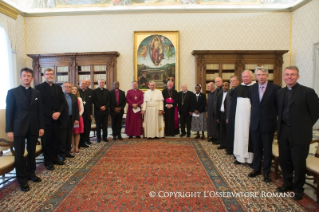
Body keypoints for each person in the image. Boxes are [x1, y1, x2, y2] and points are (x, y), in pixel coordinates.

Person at [275, 66, 319, 200]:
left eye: (292, 74)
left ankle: (298, 188)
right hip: (283, 131)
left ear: (297, 76)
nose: (289, 77)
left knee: (298, 162)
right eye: (287, 74)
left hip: (300, 133)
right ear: (284, 76)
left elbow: (315, 113)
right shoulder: (280, 92)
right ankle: (287, 183)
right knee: (285, 160)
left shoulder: (308, 92)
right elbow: (279, 111)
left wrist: (304, 126)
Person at [6, 67, 44, 191]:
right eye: (24, 75)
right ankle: (21, 179)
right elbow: (9, 112)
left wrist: (41, 127)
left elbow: (39, 112)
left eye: (29, 76)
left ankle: (31, 174)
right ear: (20, 77)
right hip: (18, 128)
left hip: (33, 127)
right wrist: (9, 130)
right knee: (19, 154)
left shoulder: (37, 93)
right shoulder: (12, 92)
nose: (26, 77)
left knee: (32, 152)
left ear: (32, 78)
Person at [248, 67, 281, 182]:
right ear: (255, 76)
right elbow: (254, 105)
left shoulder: (276, 88)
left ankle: (266, 172)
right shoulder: (251, 89)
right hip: (255, 124)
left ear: (267, 76)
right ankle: (256, 169)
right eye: (258, 75)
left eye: (263, 74)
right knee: (256, 148)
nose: (261, 77)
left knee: (267, 149)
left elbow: (277, 107)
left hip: (268, 124)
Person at [35, 68, 66, 170]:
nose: (49, 76)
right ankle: (48, 161)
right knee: (47, 141)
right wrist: (52, 113)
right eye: (47, 74)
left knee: (56, 140)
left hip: (57, 119)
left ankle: (55, 158)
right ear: (44, 76)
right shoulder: (39, 87)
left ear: (54, 75)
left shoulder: (58, 87)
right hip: (46, 119)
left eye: (51, 74)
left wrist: (59, 112)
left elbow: (62, 102)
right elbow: (40, 104)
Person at [231, 70, 256, 164]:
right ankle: (240, 158)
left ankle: (250, 159)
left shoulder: (255, 87)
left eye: (247, 77)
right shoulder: (238, 88)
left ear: (252, 77)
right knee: (239, 136)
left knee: (249, 138)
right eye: (244, 77)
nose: (245, 79)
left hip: (250, 119)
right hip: (239, 119)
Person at [60, 82, 79, 161]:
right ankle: (62, 153)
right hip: (63, 119)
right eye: (66, 87)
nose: (67, 88)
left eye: (69, 87)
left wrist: (76, 118)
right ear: (63, 88)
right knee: (63, 137)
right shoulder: (60, 97)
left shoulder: (74, 97)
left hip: (71, 119)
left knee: (68, 136)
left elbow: (76, 109)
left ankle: (67, 152)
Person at [225, 76, 240, 155]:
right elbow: (227, 106)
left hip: (238, 116)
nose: (233, 82)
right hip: (230, 116)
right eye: (231, 81)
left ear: (238, 81)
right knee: (230, 133)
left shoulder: (240, 90)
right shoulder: (229, 91)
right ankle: (230, 149)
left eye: (234, 81)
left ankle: (236, 150)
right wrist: (227, 117)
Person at [216, 82, 230, 150]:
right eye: (223, 86)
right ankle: (222, 144)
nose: (224, 87)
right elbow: (218, 105)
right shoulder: (220, 94)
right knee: (222, 130)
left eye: (226, 85)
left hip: (227, 115)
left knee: (228, 131)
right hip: (221, 114)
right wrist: (217, 116)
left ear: (228, 87)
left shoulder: (230, 94)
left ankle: (228, 145)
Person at [78, 80, 91, 148]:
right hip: (80, 114)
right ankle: (78, 143)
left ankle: (83, 142)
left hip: (86, 113)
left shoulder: (88, 92)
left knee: (85, 128)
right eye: (82, 83)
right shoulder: (77, 92)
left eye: (84, 84)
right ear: (79, 84)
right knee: (79, 128)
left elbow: (90, 104)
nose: (83, 85)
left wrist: (90, 113)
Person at [71, 85, 84, 153]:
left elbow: (82, 108)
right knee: (72, 133)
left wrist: (78, 115)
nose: (74, 90)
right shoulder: (69, 97)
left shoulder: (79, 98)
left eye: (75, 89)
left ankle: (77, 147)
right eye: (72, 89)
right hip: (71, 118)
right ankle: (72, 147)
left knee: (77, 132)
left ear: (77, 91)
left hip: (78, 118)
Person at [211, 77, 223, 144]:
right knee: (217, 127)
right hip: (216, 113)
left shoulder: (223, 90)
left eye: (218, 81)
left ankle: (221, 141)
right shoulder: (216, 90)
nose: (217, 83)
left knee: (221, 128)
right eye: (216, 82)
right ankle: (218, 139)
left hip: (221, 112)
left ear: (222, 81)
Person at [85, 78, 94, 145]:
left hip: (89, 112)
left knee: (88, 127)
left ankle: (87, 139)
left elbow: (91, 103)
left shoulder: (91, 91)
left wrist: (91, 113)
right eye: (86, 82)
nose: (87, 83)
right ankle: (82, 140)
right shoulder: (79, 91)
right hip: (82, 113)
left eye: (88, 82)